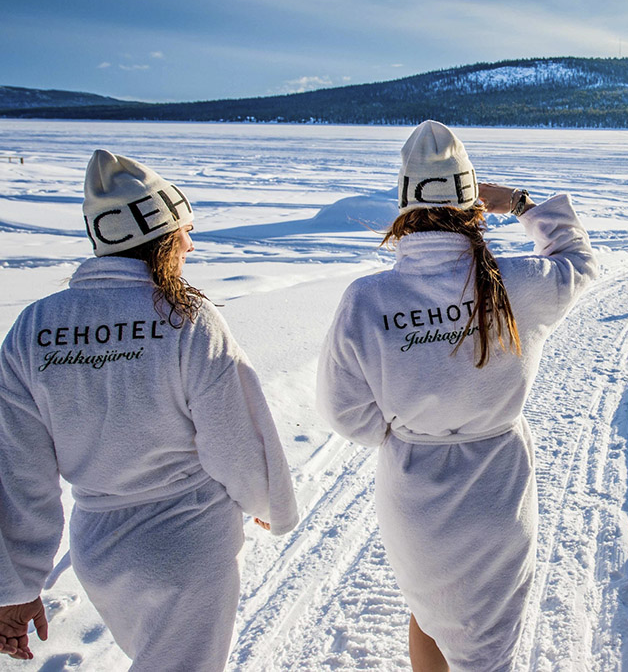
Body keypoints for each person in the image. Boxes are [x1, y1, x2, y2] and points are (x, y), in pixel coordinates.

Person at [0, 150, 299, 669]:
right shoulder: (185, 318)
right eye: (183, 231)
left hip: (101, 553)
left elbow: (15, 468)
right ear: (160, 236)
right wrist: (269, 502)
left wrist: (16, 582)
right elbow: (234, 434)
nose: (190, 243)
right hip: (190, 545)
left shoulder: (34, 328)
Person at [317, 120, 597, 671]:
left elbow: (344, 412)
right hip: (498, 487)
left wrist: (413, 434)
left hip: (414, 491)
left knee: (427, 611)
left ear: (403, 206)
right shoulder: (516, 283)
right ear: (473, 202)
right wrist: (518, 204)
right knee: (491, 640)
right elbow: (579, 260)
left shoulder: (368, 298)